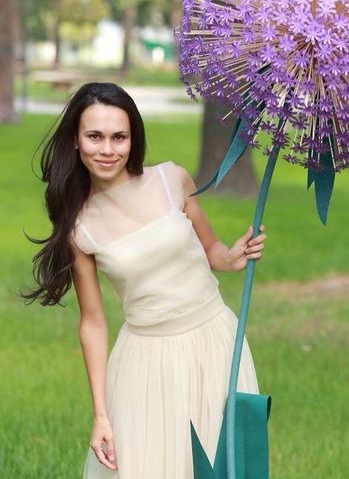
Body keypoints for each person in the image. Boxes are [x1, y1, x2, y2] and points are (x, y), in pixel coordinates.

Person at [24, 82, 266, 478]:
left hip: (215, 342)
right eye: (95, 137)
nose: (108, 149)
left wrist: (234, 256)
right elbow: (93, 322)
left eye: (119, 137)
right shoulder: (80, 228)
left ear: (132, 138)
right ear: (75, 141)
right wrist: (100, 414)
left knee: (225, 467)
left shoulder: (172, 180)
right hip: (147, 362)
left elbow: (212, 251)